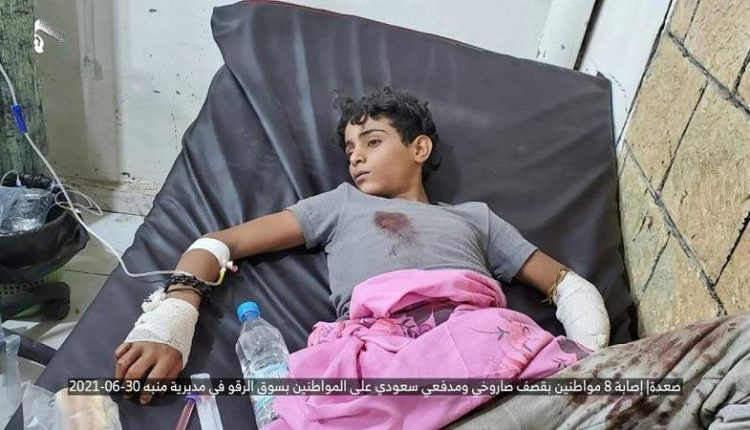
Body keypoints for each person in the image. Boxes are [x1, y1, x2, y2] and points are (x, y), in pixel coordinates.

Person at [112, 86, 610, 409]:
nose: (355, 158)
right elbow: (219, 243)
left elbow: (566, 284)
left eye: (372, 142)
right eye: (350, 150)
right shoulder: (340, 205)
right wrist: (171, 322)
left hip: (478, 338)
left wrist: (590, 354)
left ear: (419, 149)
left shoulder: (475, 217)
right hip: (378, 350)